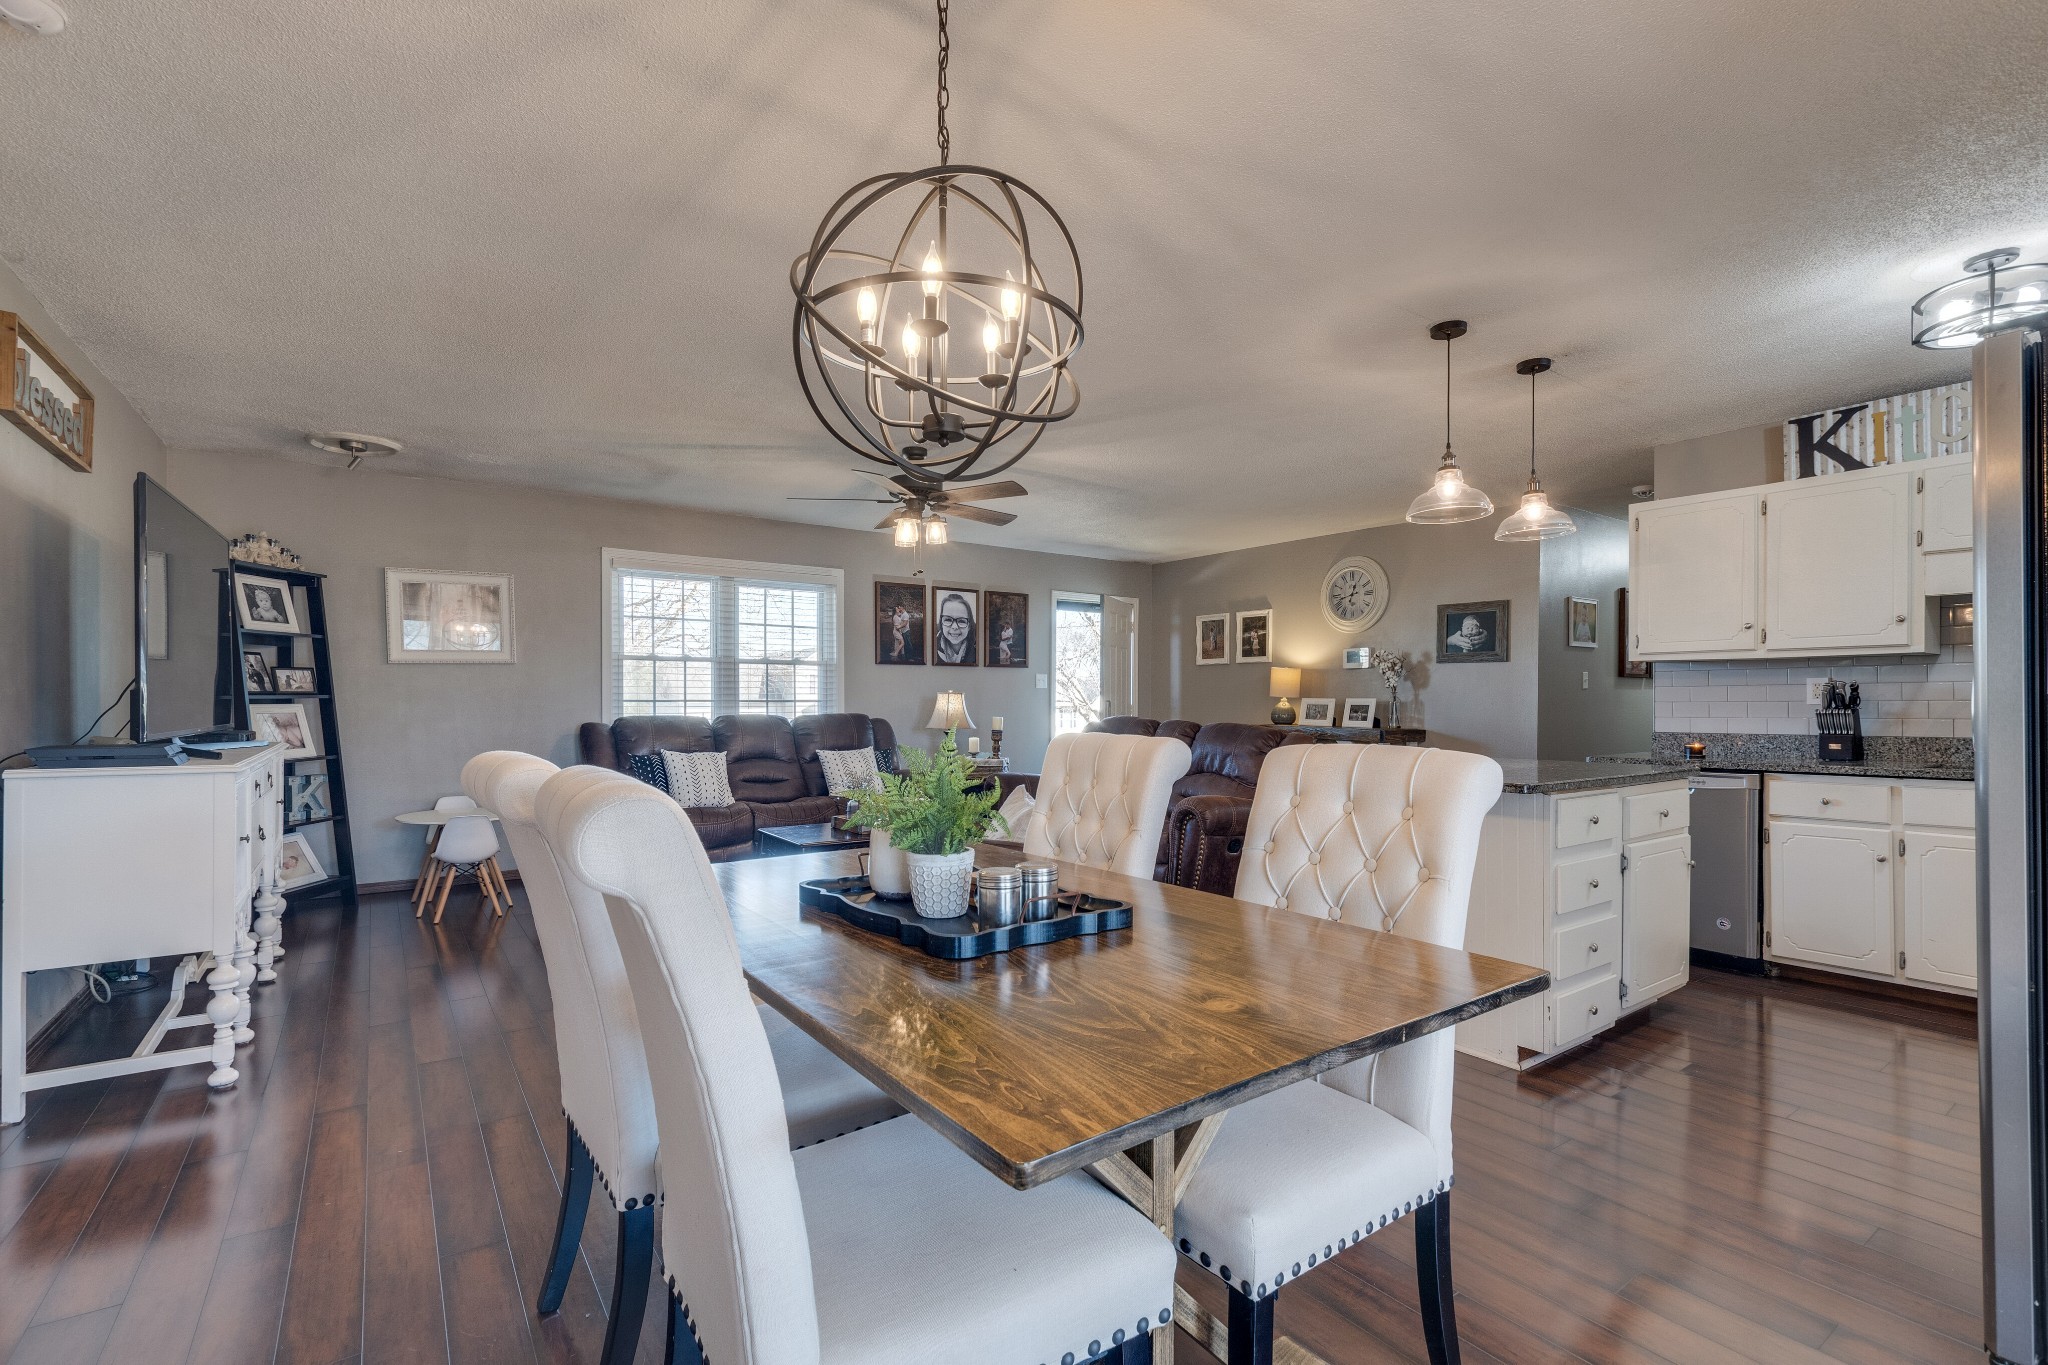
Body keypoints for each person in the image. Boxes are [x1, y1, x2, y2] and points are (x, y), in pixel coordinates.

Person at [935, 592, 976, 665]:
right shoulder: (931, 649)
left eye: (961, 621)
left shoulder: (979, 651)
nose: (954, 627)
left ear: (969, 626)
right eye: (948, 619)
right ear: (941, 623)